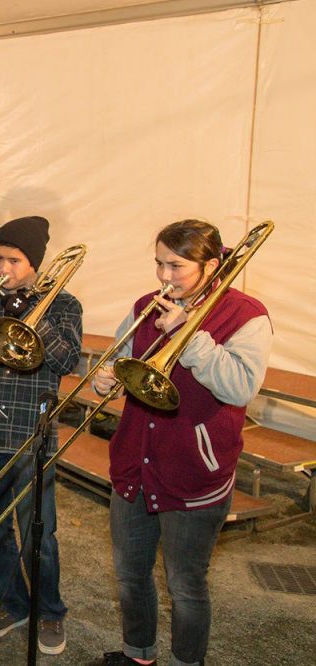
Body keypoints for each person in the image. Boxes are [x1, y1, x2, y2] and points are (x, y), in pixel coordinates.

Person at [94, 219, 272, 666]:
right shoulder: (145, 305)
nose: (164, 276)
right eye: (158, 263)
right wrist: (105, 378)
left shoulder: (247, 315)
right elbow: (122, 359)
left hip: (196, 469)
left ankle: (188, 662)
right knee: (130, 575)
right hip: (135, 460)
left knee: (185, 585)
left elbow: (239, 388)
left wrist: (189, 337)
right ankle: (139, 654)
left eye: (176, 266)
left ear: (211, 265)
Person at [0, 216, 82, 654]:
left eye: (14, 260)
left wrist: (32, 318)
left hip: (31, 435)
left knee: (38, 533)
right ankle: (12, 603)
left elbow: (65, 363)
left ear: (35, 263)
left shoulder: (64, 305)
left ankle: (50, 611)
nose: (4, 269)